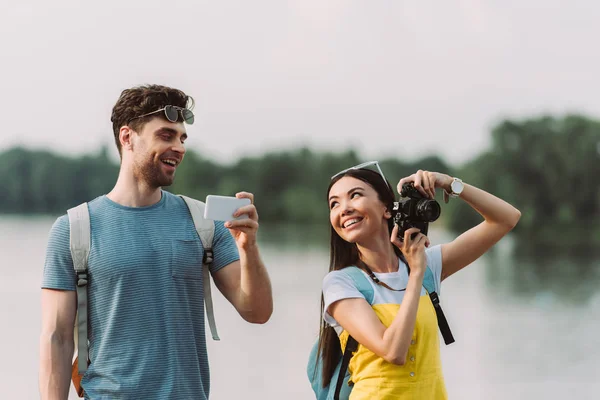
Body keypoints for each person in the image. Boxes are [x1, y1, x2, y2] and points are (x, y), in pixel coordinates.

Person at [39, 84, 273, 399]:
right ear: (127, 137)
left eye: (182, 138)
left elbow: (256, 312)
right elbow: (57, 338)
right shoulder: (73, 230)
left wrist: (249, 249)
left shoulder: (203, 222)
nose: (179, 147)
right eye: (166, 135)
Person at [316, 162, 520, 399]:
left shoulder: (427, 264)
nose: (344, 209)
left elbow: (506, 219)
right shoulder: (341, 283)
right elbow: (393, 351)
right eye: (334, 204)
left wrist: (449, 183)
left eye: (355, 195)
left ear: (387, 208)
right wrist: (416, 274)